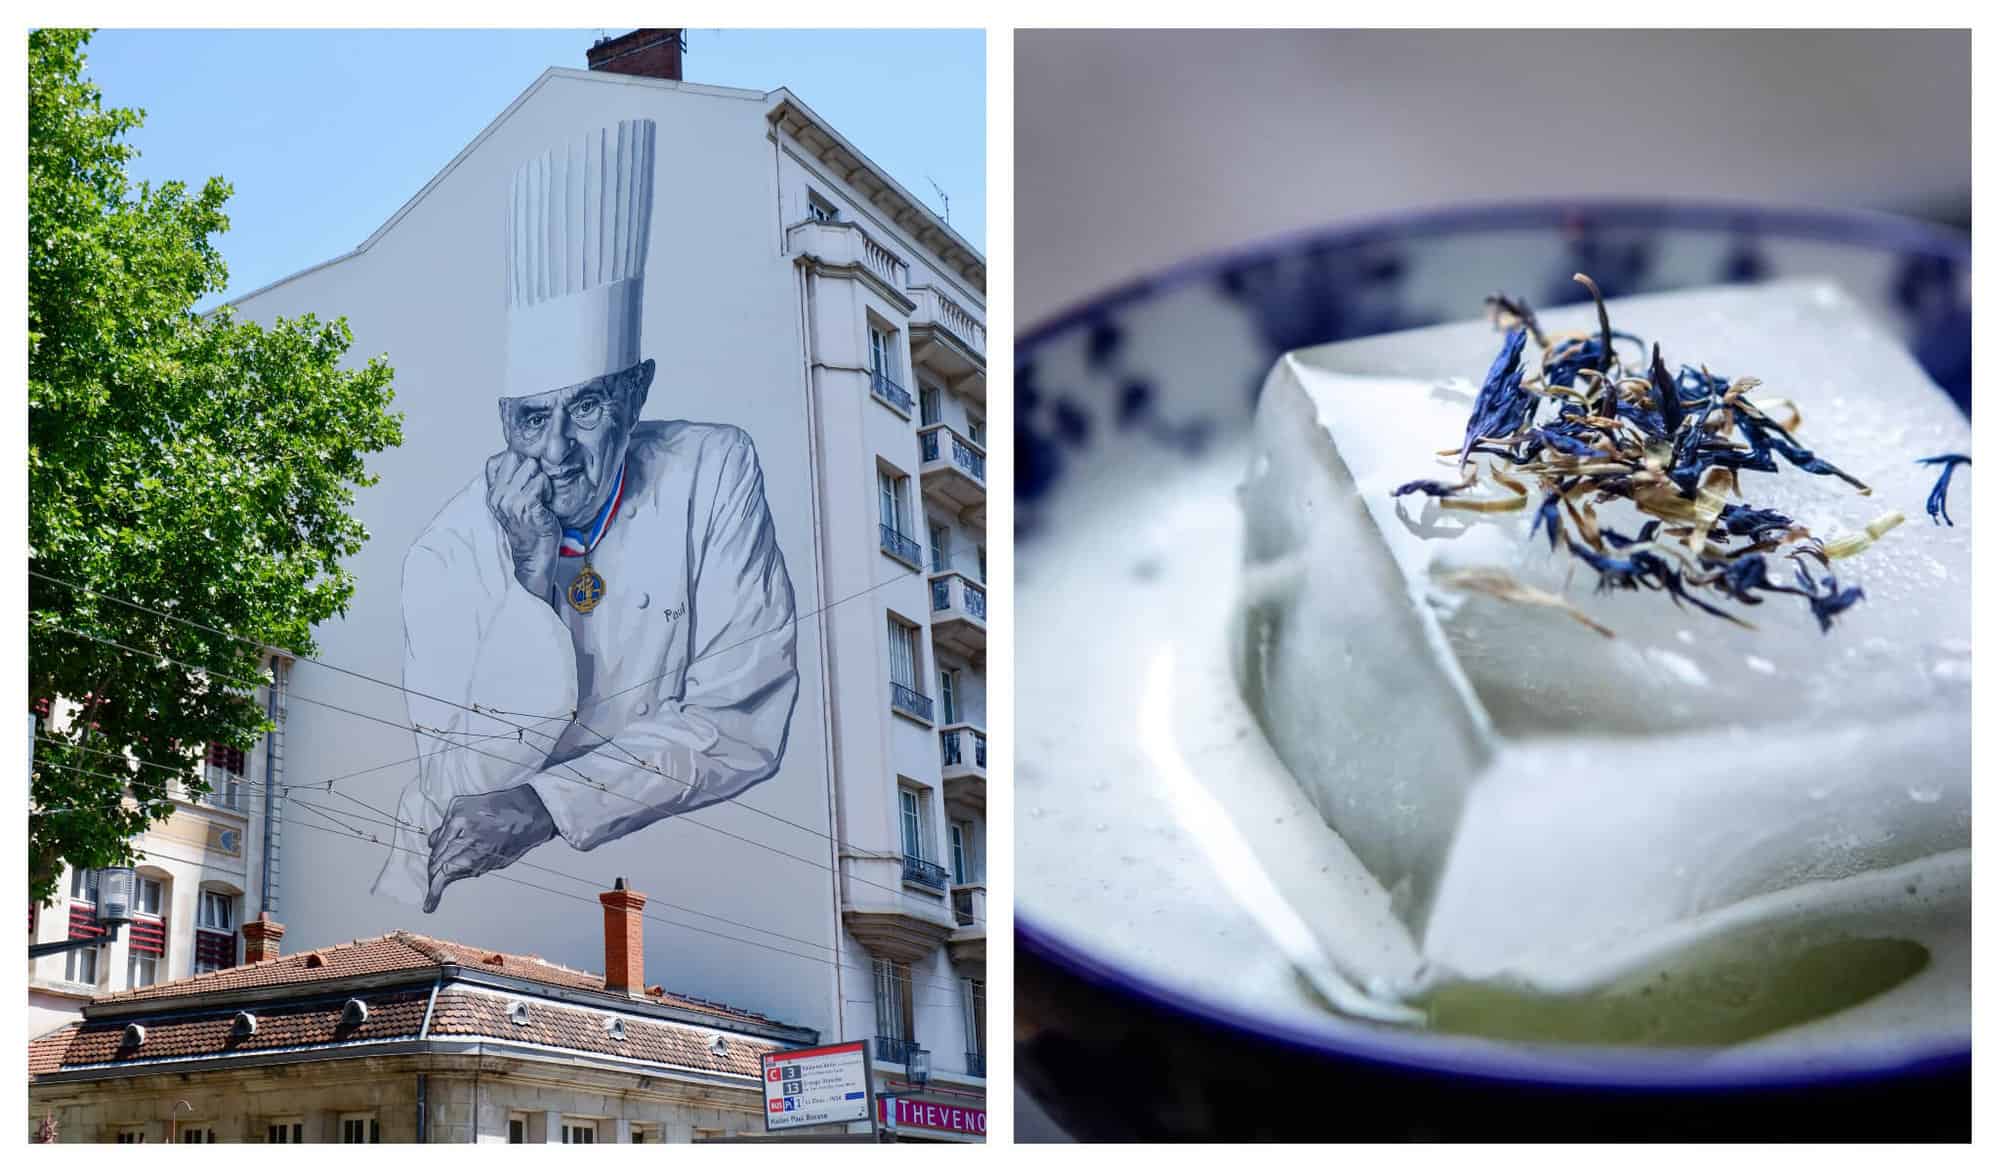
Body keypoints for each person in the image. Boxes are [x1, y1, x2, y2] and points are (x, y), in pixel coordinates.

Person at [373, 119, 800, 911]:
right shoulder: (445, 552)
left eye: (588, 407)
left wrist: (548, 805)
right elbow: (468, 778)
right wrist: (530, 587)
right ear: (505, 420)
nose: (559, 449)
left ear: (636, 395)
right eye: (533, 419)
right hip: (442, 883)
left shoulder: (713, 466)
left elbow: (741, 718)